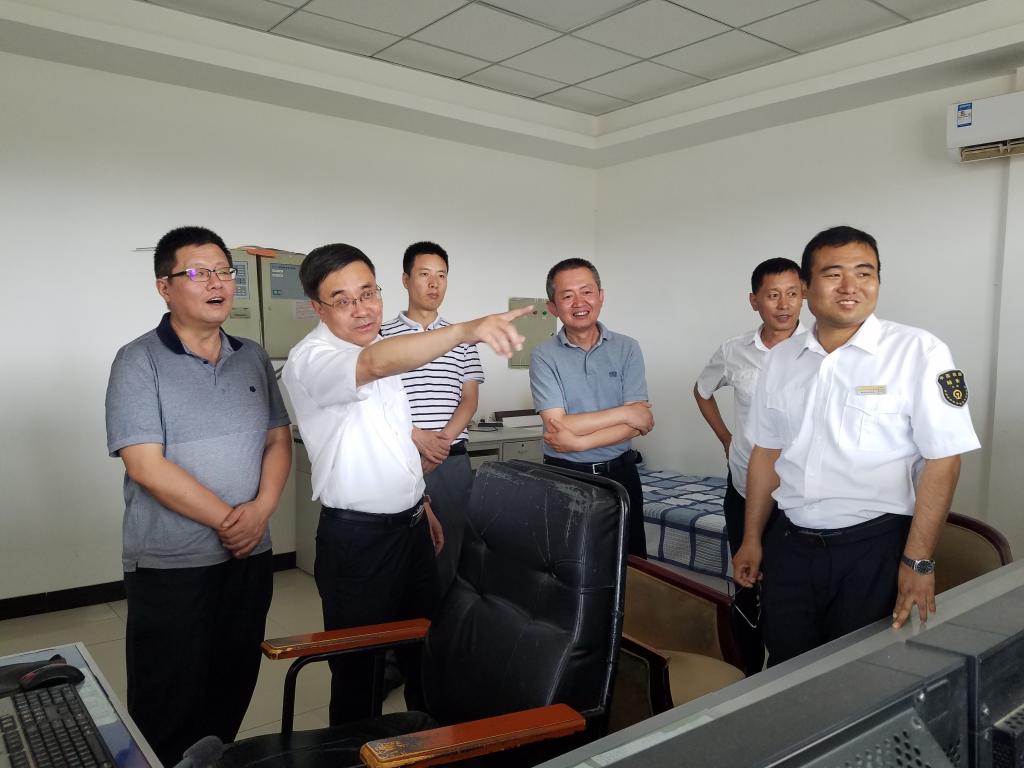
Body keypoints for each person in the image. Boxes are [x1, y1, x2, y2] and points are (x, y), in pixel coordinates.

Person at [282, 243, 530, 725]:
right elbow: (375, 365)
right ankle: (355, 751)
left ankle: (426, 742)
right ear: (317, 307)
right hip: (358, 539)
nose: (362, 308)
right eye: (343, 300)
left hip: (412, 525)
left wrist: (423, 503)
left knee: (424, 646)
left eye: (367, 293)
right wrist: (465, 330)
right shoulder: (313, 358)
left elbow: (395, 438)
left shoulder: (377, 348)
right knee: (359, 669)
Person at [733, 226, 980, 666]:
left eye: (865, 274)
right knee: (788, 667)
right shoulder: (782, 360)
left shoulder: (918, 352)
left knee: (865, 674)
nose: (850, 287)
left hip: (873, 549)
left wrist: (919, 561)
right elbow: (767, 453)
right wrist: (752, 536)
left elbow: (943, 461)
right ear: (806, 286)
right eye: (833, 275)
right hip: (790, 545)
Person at [105, 226, 292, 766]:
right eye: (198, 272)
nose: (217, 283)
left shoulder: (252, 355)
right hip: (172, 564)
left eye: (225, 271)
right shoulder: (138, 360)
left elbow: (278, 441)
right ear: (164, 287)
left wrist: (261, 511)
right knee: (166, 702)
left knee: (231, 685)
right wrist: (234, 520)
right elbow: (145, 464)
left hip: (248, 559)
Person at [693, 257, 804, 675]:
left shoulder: (822, 349)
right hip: (743, 486)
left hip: (797, 495)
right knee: (747, 583)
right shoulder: (734, 351)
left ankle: (787, 673)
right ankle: (747, 673)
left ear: (804, 296)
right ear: (754, 300)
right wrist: (726, 438)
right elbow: (702, 391)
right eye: (773, 295)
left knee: (789, 590)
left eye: (792, 294)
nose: (784, 304)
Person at [529, 258, 653, 558]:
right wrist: (625, 413)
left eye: (587, 292)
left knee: (631, 563)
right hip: (564, 477)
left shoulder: (627, 348)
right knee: (568, 563)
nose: (579, 302)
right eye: (567, 296)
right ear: (553, 307)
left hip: (621, 474)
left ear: (601, 296)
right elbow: (558, 426)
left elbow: (639, 424)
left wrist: (580, 442)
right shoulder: (543, 355)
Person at [380, 241, 483, 591]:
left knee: (450, 554)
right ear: (406, 280)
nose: (434, 283)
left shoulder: (462, 338)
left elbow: (469, 399)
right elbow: (377, 402)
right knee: (402, 556)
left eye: (441, 275)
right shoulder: (381, 337)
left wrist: (440, 444)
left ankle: (445, 626)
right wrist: (416, 437)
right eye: (424, 274)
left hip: (449, 462)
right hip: (401, 458)